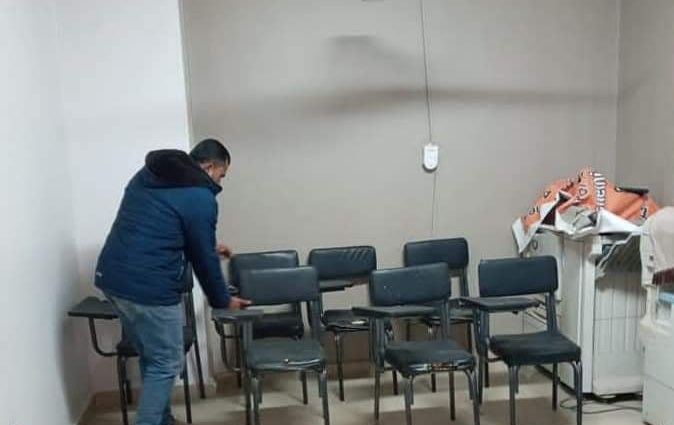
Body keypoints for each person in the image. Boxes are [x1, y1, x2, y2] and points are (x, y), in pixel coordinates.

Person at [95, 138, 251, 425]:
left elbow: (157, 228)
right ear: (209, 167)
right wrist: (223, 300)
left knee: (152, 357)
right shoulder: (200, 196)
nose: (220, 183)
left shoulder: (149, 176)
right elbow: (203, 260)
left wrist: (207, 247)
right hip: (149, 288)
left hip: (113, 279)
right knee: (167, 362)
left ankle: (162, 419)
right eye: (221, 175)